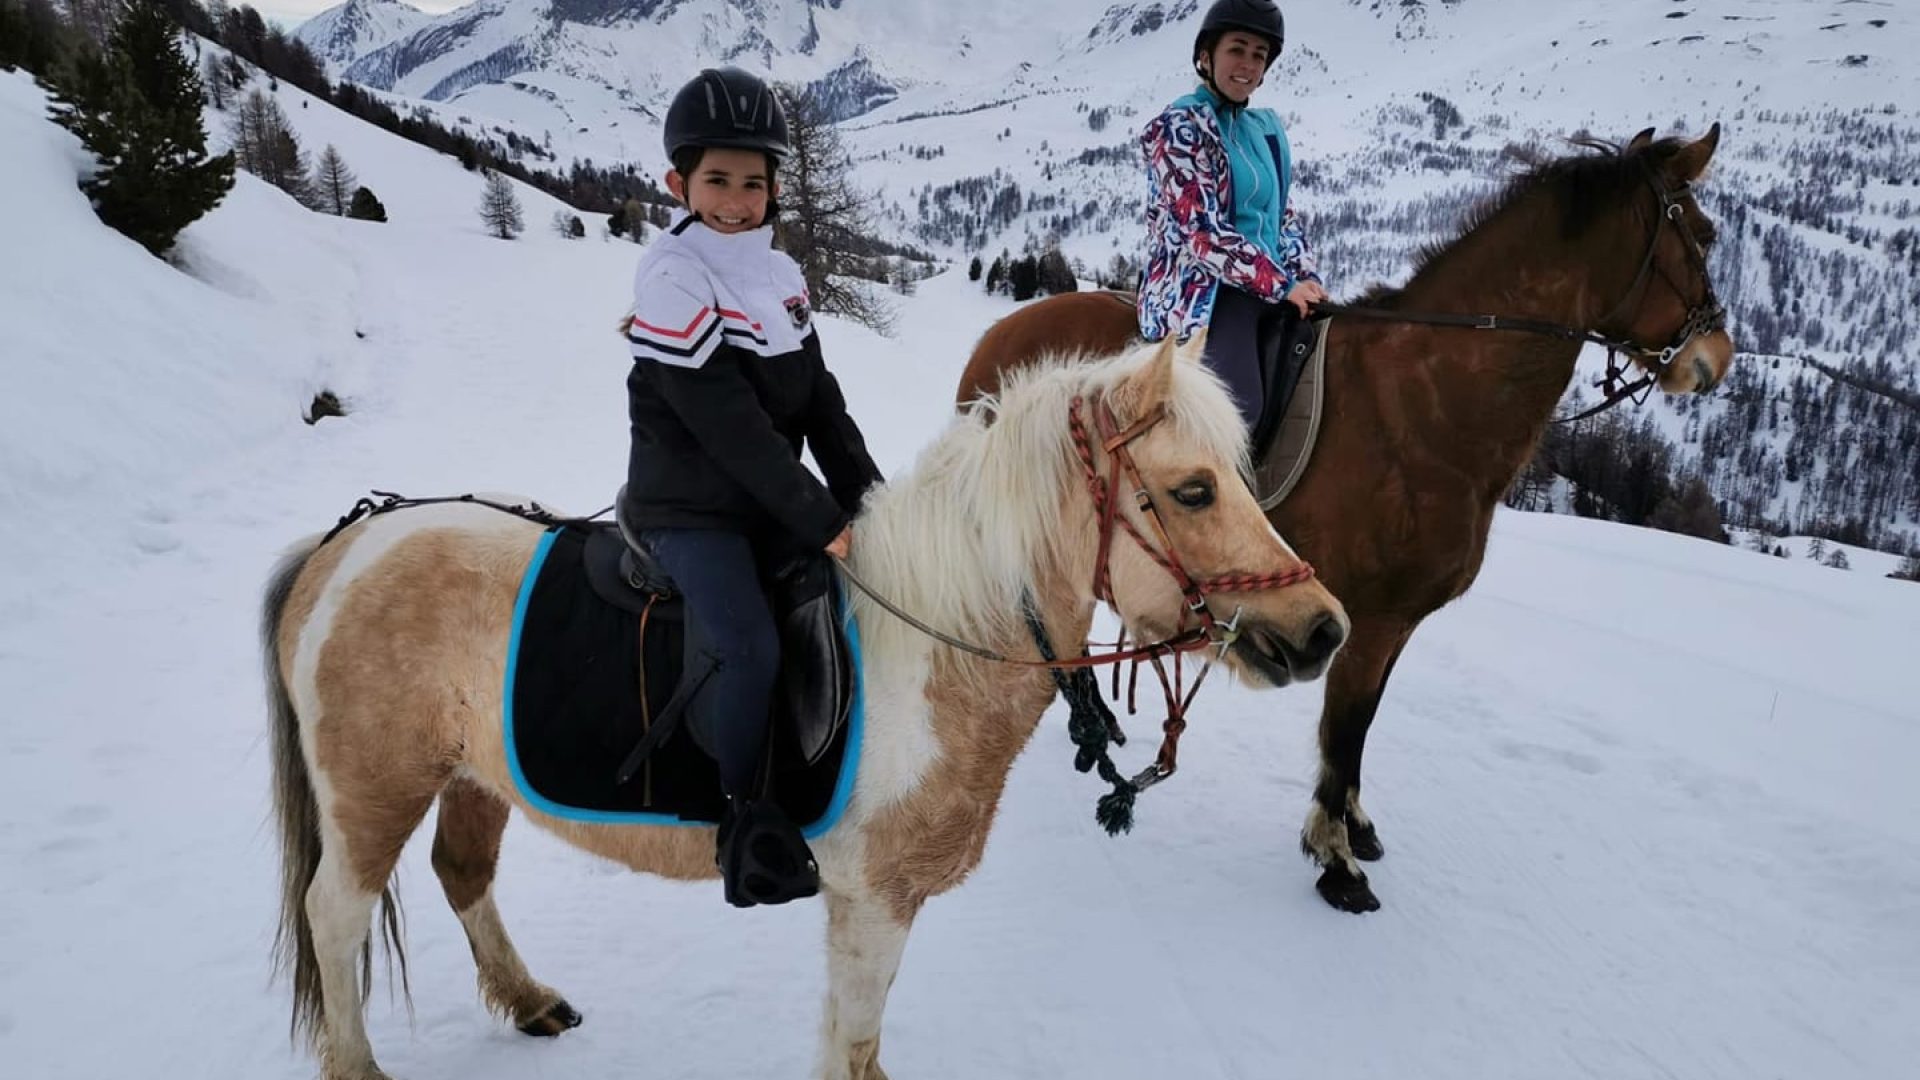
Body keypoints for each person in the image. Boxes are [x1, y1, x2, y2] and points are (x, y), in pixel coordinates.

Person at [619, 67, 882, 908]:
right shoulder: (673, 276)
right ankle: (743, 818)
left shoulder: (776, 274)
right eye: (718, 181)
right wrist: (819, 517)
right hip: (691, 511)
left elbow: (820, 400)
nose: (736, 200)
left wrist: (873, 500)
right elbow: (729, 429)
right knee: (751, 646)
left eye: (753, 182)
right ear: (679, 184)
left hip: (762, 501)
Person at [1137, 0, 1329, 432]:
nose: (1247, 65)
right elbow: (1202, 235)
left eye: (1258, 55)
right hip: (1206, 289)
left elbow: (1281, 217)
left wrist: (1305, 274)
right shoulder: (1180, 127)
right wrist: (1281, 284)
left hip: (1272, 284)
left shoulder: (1264, 129)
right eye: (1237, 50)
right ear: (1207, 56)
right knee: (1239, 410)